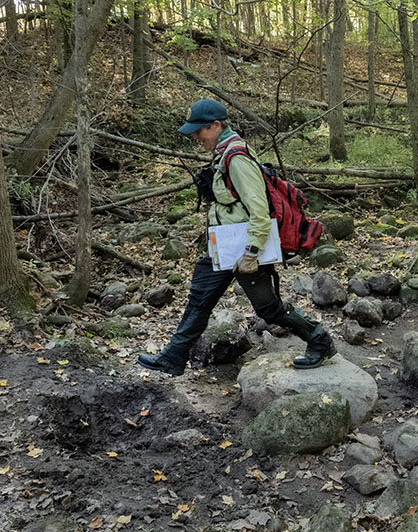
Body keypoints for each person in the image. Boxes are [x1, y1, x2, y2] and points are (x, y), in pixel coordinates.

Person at [138, 99, 335, 375]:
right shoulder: (223, 153)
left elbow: (258, 208)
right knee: (199, 297)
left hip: (244, 249)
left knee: (269, 309)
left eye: (199, 131)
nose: (195, 137)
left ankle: (319, 340)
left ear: (216, 125)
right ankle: (173, 356)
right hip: (224, 246)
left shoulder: (237, 158)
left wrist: (252, 253)